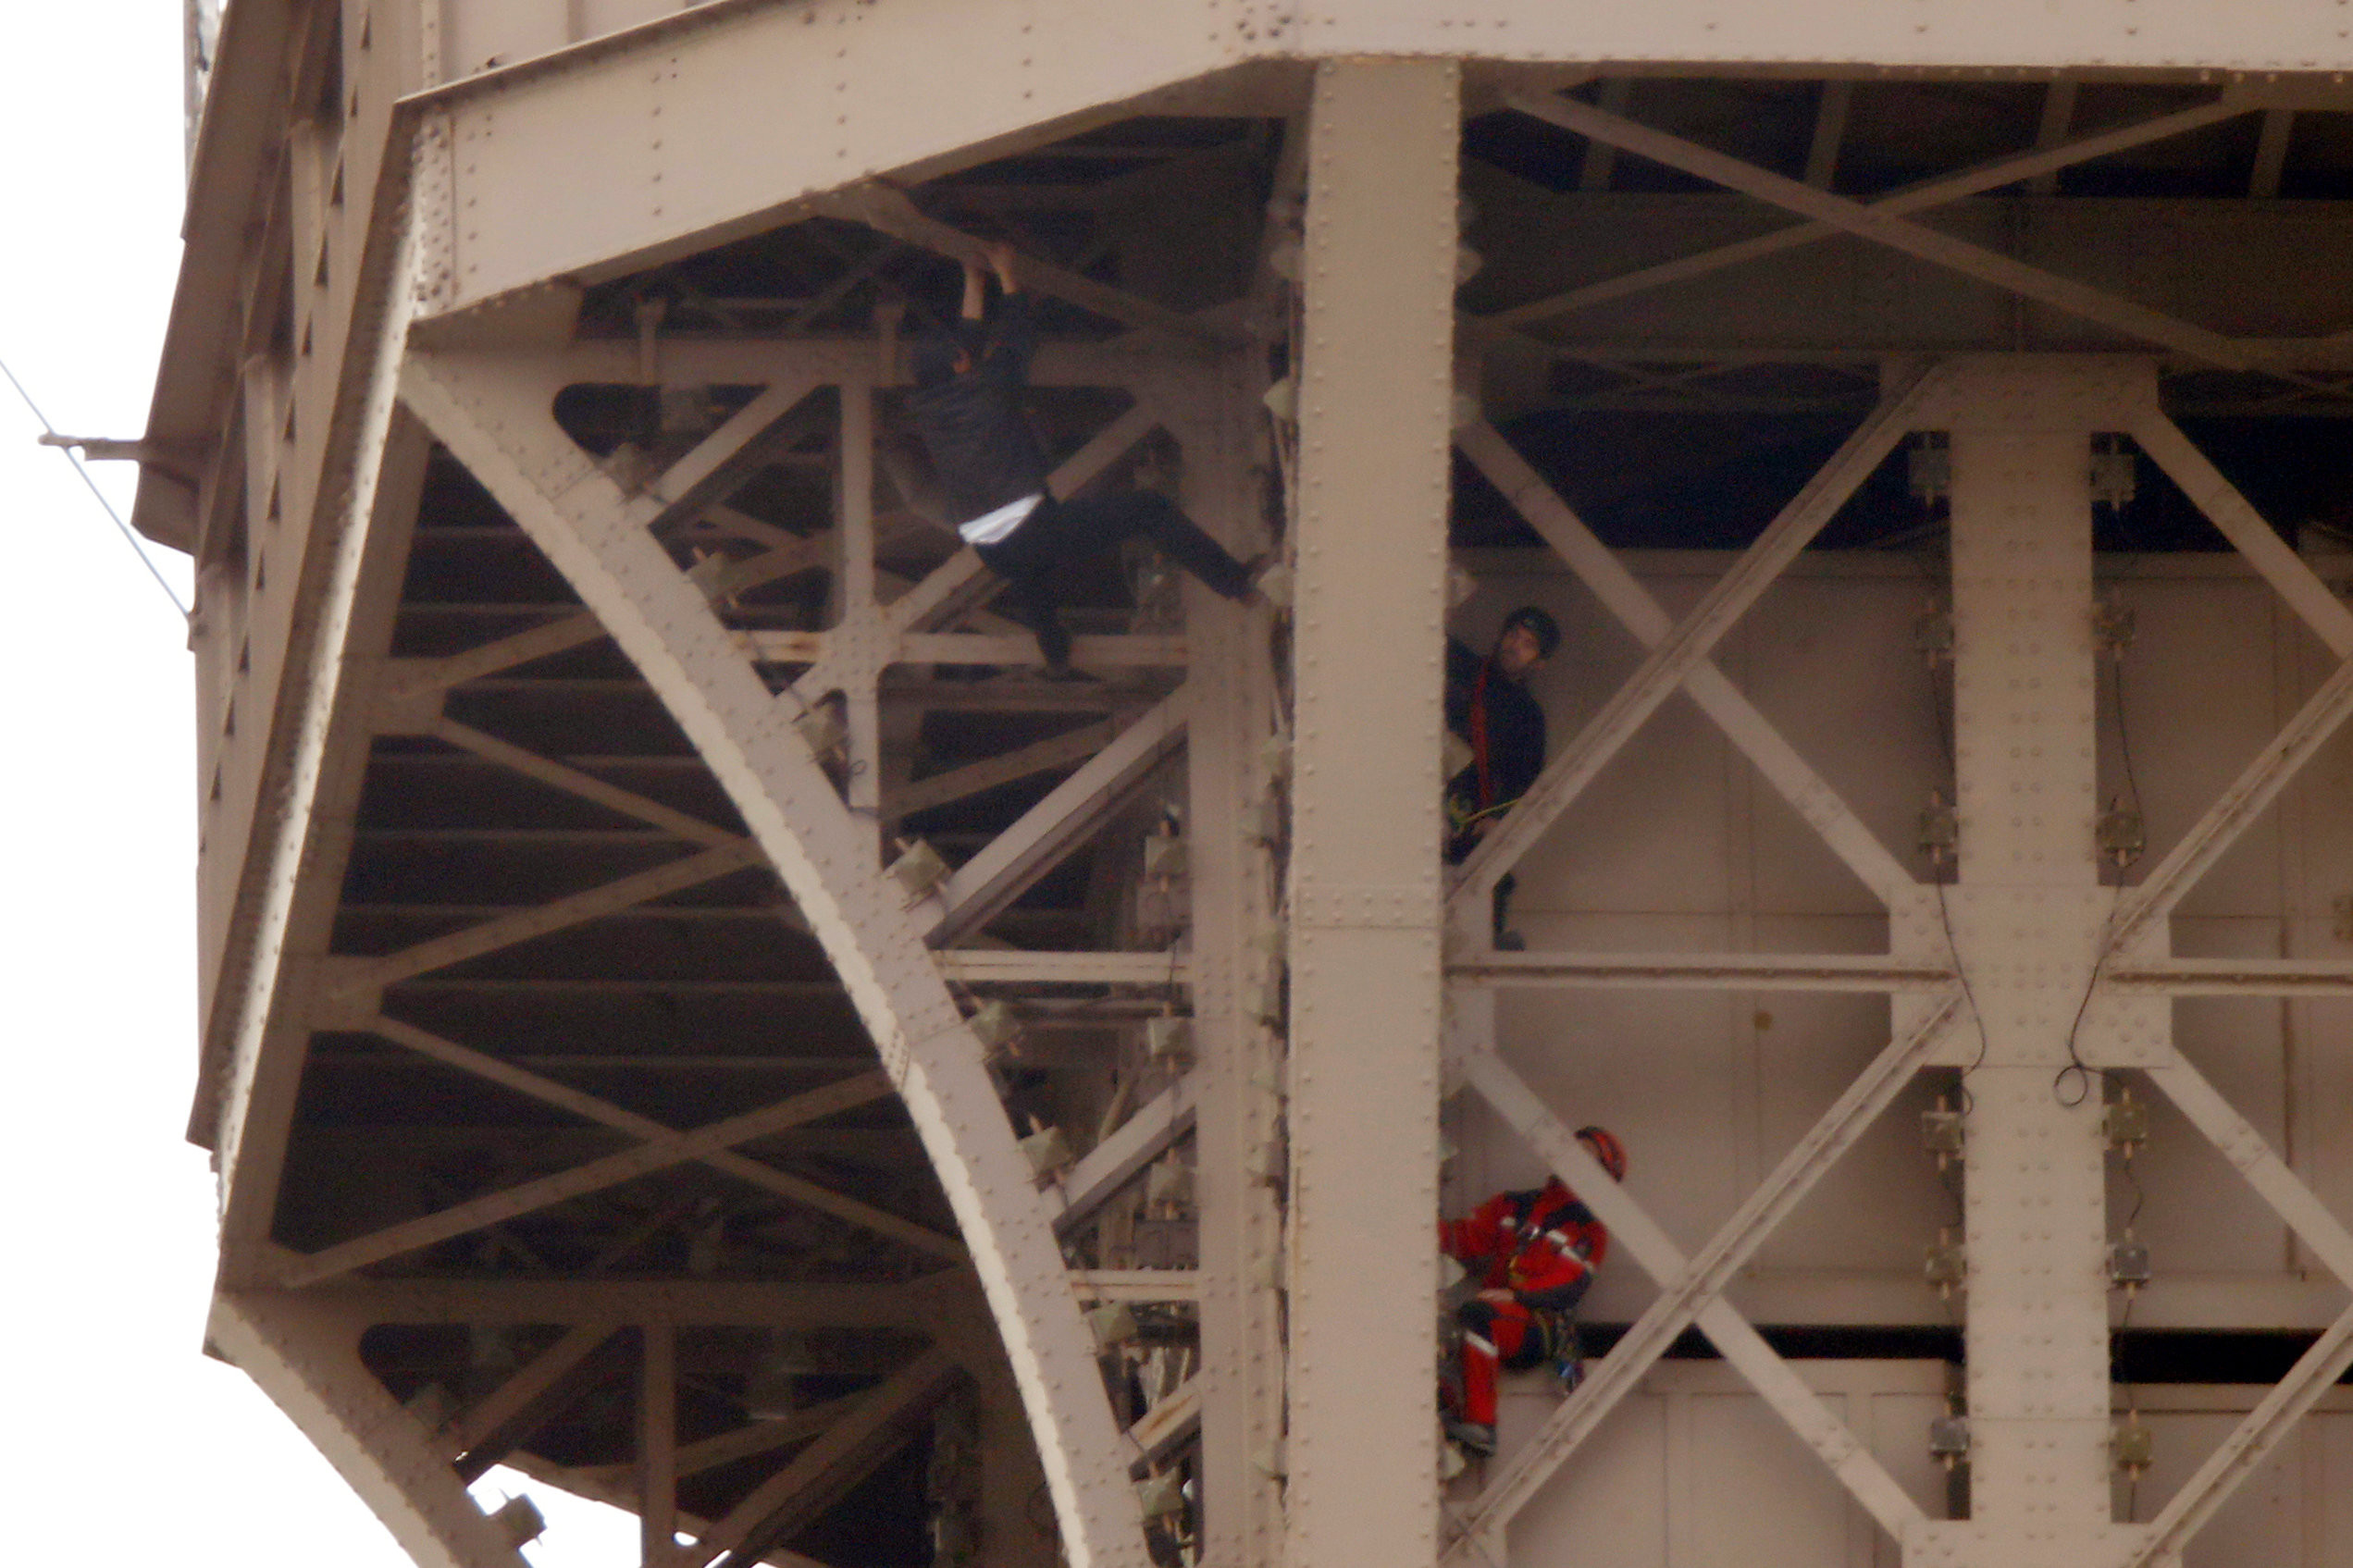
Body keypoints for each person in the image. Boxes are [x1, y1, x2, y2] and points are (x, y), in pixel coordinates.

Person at [903, 241, 1261, 671]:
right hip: (1031, 525)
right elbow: (1020, 337)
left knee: (1031, 575)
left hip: (989, 546)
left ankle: (1055, 651)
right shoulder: (989, 390)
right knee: (1150, 510)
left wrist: (974, 277)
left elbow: (967, 343)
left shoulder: (929, 408)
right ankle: (1235, 583)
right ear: (960, 363)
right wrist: (1008, 275)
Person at [1438, 1125, 1626, 1458]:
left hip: (1540, 1324)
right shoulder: (1514, 1206)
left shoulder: (1588, 1229)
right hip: (1502, 1311)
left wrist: (1518, 1297)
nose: (1572, 1157)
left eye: (1586, 1155)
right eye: (1571, 1147)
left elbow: (1568, 1284)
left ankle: (1481, 1426)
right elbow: (1464, 1238)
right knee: (1453, 1330)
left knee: (1479, 1318)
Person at [1445, 606, 1561, 948]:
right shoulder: (1464, 667)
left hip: (1472, 812)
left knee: (1490, 877)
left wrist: (1497, 817)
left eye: (1527, 644)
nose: (1514, 645)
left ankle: (1486, 940)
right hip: (1429, 792)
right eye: (1513, 635)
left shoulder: (1527, 716)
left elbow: (1524, 779)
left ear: (1539, 663)